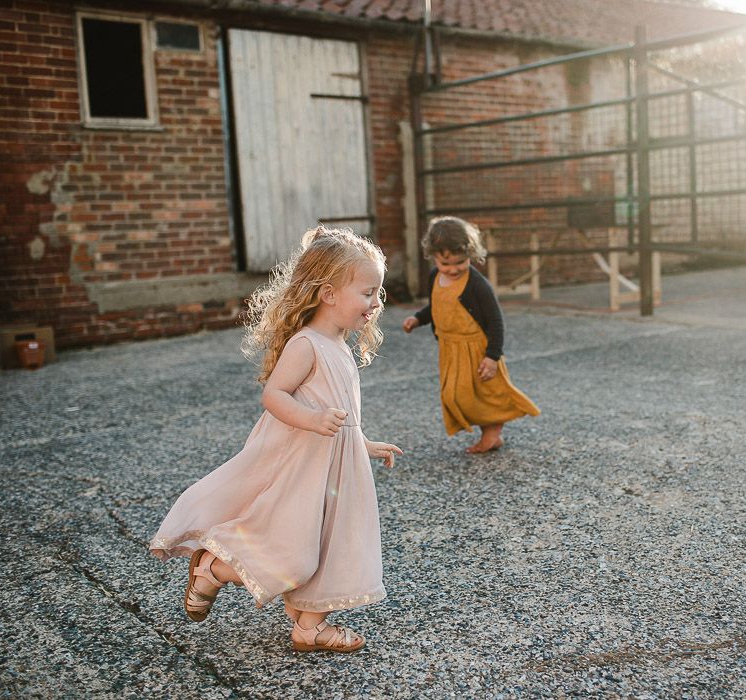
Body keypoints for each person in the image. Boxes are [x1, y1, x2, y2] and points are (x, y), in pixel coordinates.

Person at [150, 226, 402, 654]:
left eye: (378, 292)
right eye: (367, 292)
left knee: (336, 546)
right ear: (328, 293)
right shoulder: (307, 344)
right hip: (303, 470)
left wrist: (362, 443)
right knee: (295, 555)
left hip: (336, 469)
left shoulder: (340, 344)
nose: (376, 303)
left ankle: (310, 627)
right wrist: (313, 418)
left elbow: (343, 416)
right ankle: (213, 568)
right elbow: (274, 396)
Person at [402, 216, 539, 453]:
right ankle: (491, 432)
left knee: (485, 394)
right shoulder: (435, 277)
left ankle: (492, 432)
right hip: (451, 349)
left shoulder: (477, 285)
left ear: (471, 254)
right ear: (433, 256)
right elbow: (437, 306)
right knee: (454, 396)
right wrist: (418, 319)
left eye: (460, 262)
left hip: (476, 350)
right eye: (446, 264)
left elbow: (496, 321)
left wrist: (492, 356)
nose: (453, 269)